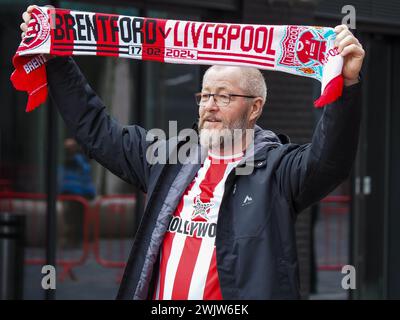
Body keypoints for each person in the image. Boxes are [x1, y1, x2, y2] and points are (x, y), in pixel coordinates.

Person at [21, 6, 365, 299]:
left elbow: (329, 161)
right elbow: (96, 130)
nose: (210, 107)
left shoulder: (277, 170)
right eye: (205, 96)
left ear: (255, 107)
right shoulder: (168, 158)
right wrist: (57, 59)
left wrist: (346, 87)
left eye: (224, 96)